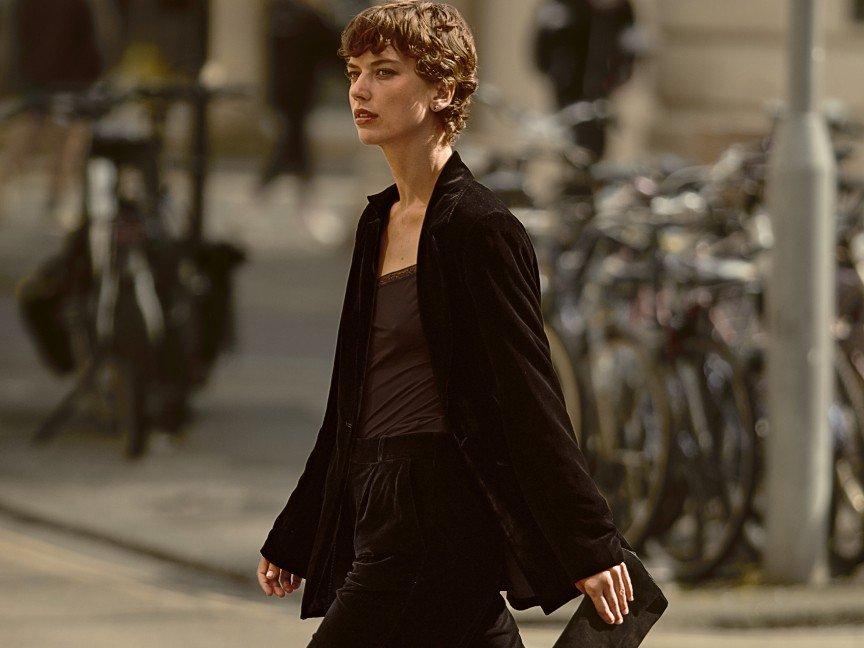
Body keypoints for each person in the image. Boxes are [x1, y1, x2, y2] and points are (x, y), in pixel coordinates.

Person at [256, 3, 634, 646]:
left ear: (443, 90)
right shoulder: (378, 223)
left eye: (384, 72)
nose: (360, 90)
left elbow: (527, 393)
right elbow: (353, 394)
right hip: (381, 502)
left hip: (433, 510)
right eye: (354, 72)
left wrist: (589, 542)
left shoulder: (479, 230)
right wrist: (299, 528)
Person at [532, 0, 636, 159]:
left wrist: (617, 79)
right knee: (564, 145)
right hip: (568, 91)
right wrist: (557, 75)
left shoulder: (621, 7)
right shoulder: (563, 5)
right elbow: (542, 49)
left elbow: (629, 47)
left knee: (595, 149)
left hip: (601, 94)